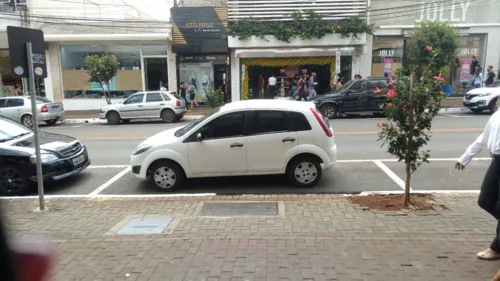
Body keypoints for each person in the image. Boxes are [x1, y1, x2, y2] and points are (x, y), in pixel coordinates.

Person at [456, 110, 500, 260]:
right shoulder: (497, 114)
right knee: (485, 201)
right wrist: (466, 157)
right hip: (497, 161)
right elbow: (484, 137)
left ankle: (497, 248)